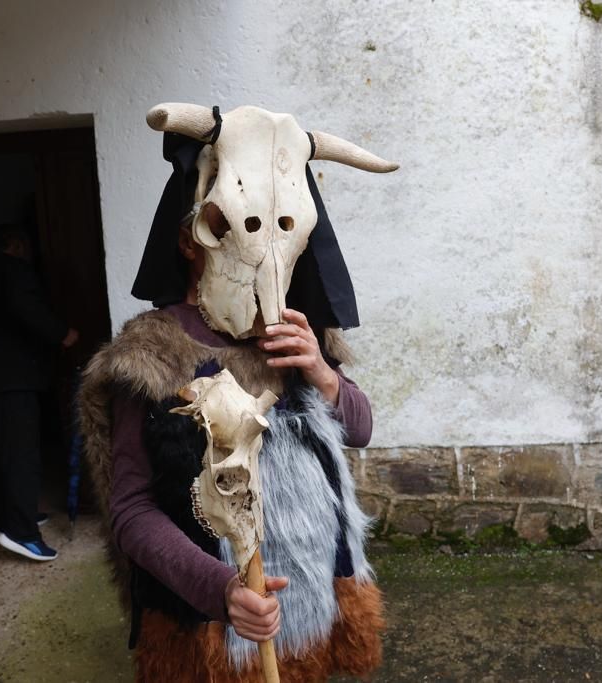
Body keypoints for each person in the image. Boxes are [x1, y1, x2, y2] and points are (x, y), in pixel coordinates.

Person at [79, 117, 391, 681]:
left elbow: (361, 428)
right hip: (212, 628)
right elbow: (131, 510)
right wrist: (220, 590)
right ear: (189, 239)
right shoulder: (152, 356)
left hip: (320, 598)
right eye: (232, 227)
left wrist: (321, 371)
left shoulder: (302, 336)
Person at [0, 223, 78, 561]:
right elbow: (26, 310)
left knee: (4, 454)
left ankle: (18, 516)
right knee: (20, 456)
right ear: (15, 244)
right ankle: (21, 532)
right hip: (11, 381)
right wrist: (62, 334)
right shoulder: (14, 271)